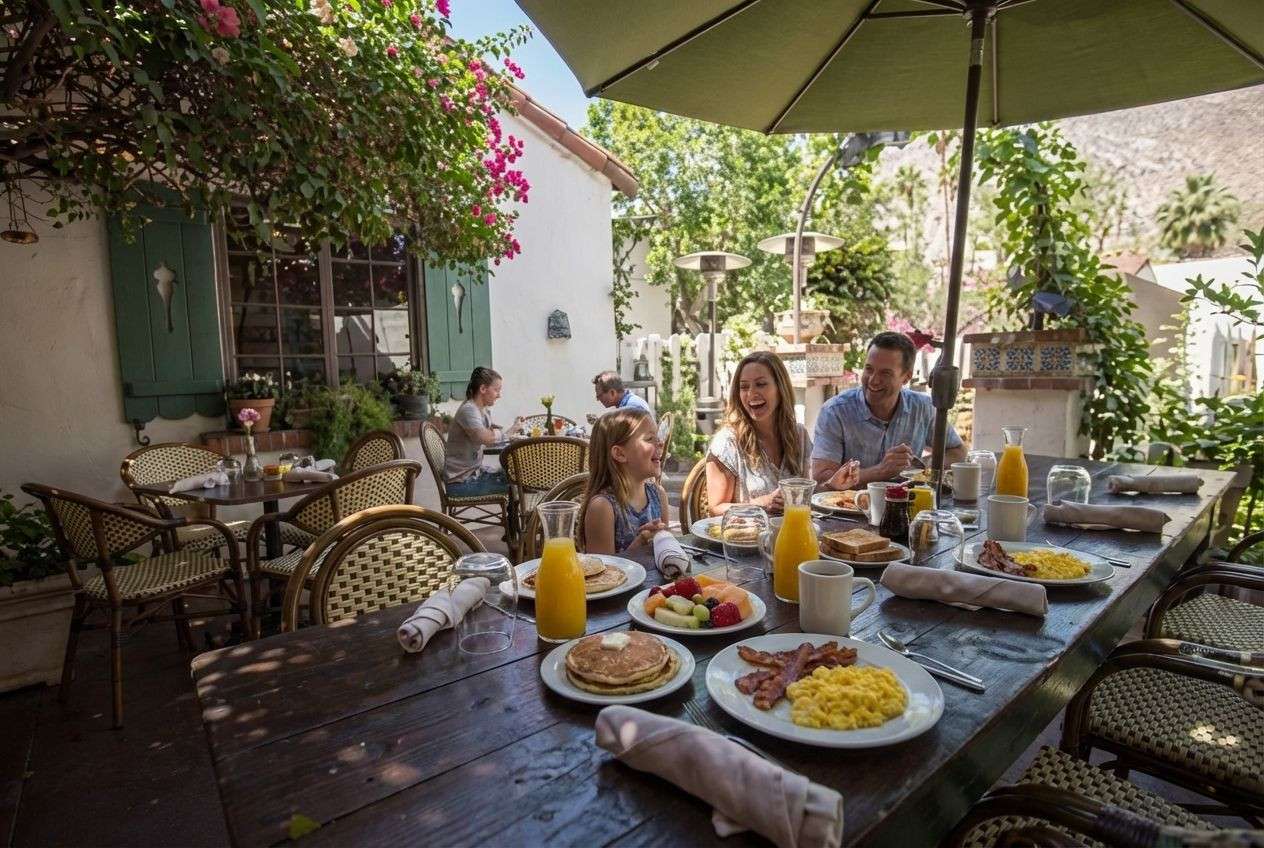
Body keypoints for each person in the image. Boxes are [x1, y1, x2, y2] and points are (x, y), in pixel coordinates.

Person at [811, 331, 966, 490]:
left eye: (885, 373)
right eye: (869, 369)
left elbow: (958, 451)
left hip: (909, 508)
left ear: (906, 377)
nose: (873, 380)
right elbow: (822, 480)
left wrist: (922, 467)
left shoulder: (923, 407)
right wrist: (881, 471)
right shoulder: (835, 411)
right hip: (848, 511)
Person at [705, 351, 854, 514]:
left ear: (780, 388)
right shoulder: (727, 442)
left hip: (794, 534)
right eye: (744, 386)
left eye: (761, 384)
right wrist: (762, 503)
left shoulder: (798, 435)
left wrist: (832, 485)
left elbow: (806, 495)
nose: (751, 393)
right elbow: (716, 508)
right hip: (747, 537)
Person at [582, 407, 669, 554]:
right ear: (620, 454)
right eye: (649, 439)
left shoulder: (659, 495)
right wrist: (640, 543)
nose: (660, 443)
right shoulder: (603, 507)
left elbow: (667, 552)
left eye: (658, 438)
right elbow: (602, 574)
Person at [444, 367, 523, 497]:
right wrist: (506, 432)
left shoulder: (480, 410)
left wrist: (511, 430)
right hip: (462, 483)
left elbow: (490, 439)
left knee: (516, 476)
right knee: (518, 483)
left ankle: (513, 517)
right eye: (496, 390)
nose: (499, 395)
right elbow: (486, 438)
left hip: (472, 475)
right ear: (483, 389)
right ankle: (519, 517)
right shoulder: (469, 410)